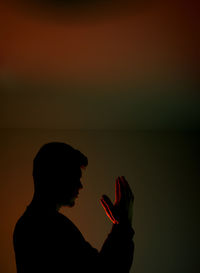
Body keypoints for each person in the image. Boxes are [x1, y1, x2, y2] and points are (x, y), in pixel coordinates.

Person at [13, 142, 135, 273]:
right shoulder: (51, 226)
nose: (81, 186)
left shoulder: (27, 224)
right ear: (56, 176)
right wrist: (123, 225)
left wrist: (120, 226)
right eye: (76, 177)